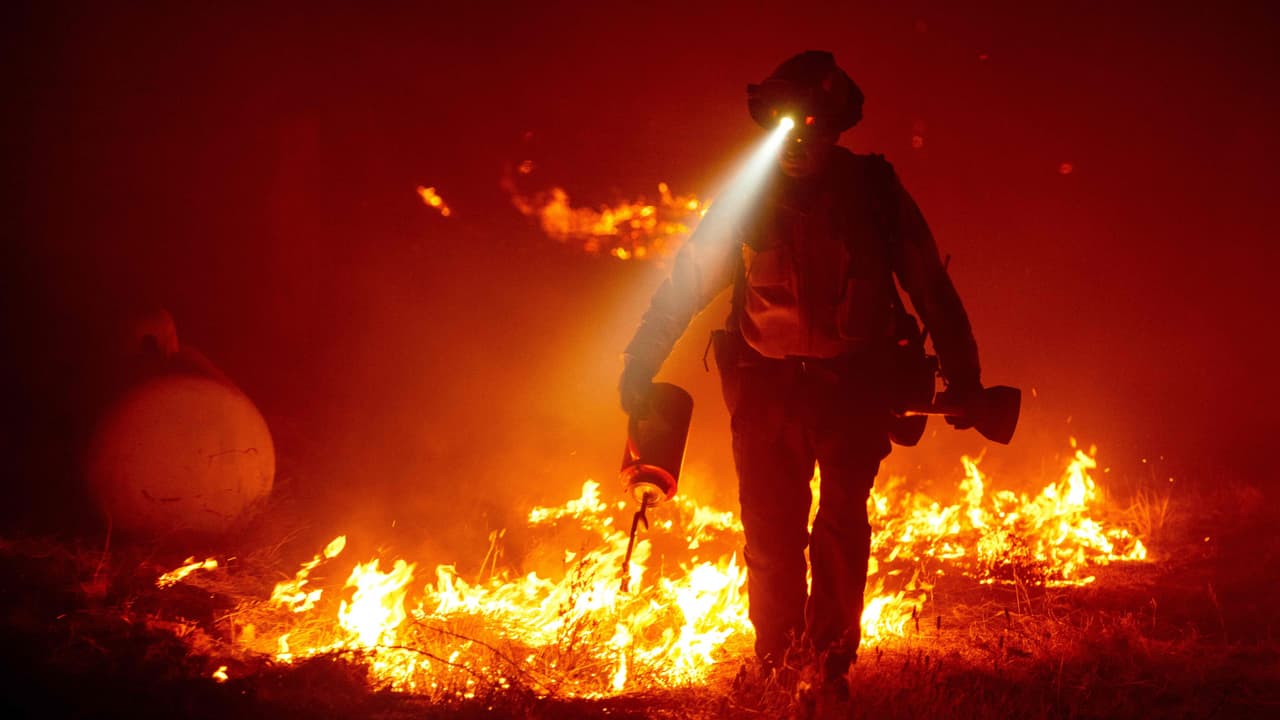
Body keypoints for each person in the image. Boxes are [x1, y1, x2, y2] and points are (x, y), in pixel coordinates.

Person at [619, 51, 983, 693]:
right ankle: (780, 661)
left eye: (809, 123)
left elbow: (929, 285)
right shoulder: (747, 198)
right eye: (782, 124)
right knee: (770, 535)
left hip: (853, 392)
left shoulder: (872, 191)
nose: (793, 140)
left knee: (841, 530)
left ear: (835, 127)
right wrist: (640, 360)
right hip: (766, 391)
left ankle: (832, 664)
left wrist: (966, 378)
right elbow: (686, 285)